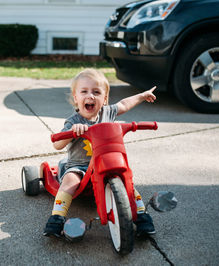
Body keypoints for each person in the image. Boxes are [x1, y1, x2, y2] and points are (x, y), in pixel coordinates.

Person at [43, 68, 157, 238]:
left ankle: (141, 215)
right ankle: (57, 218)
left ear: (104, 99)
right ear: (76, 98)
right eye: (84, 91)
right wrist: (73, 132)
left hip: (106, 163)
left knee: (129, 185)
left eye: (96, 92)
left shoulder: (108, 113)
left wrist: (142, 95)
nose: (90, 96)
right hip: (79, 166)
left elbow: (124, 104)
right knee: (70, 181)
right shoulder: (74, 121)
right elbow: (57, 144)